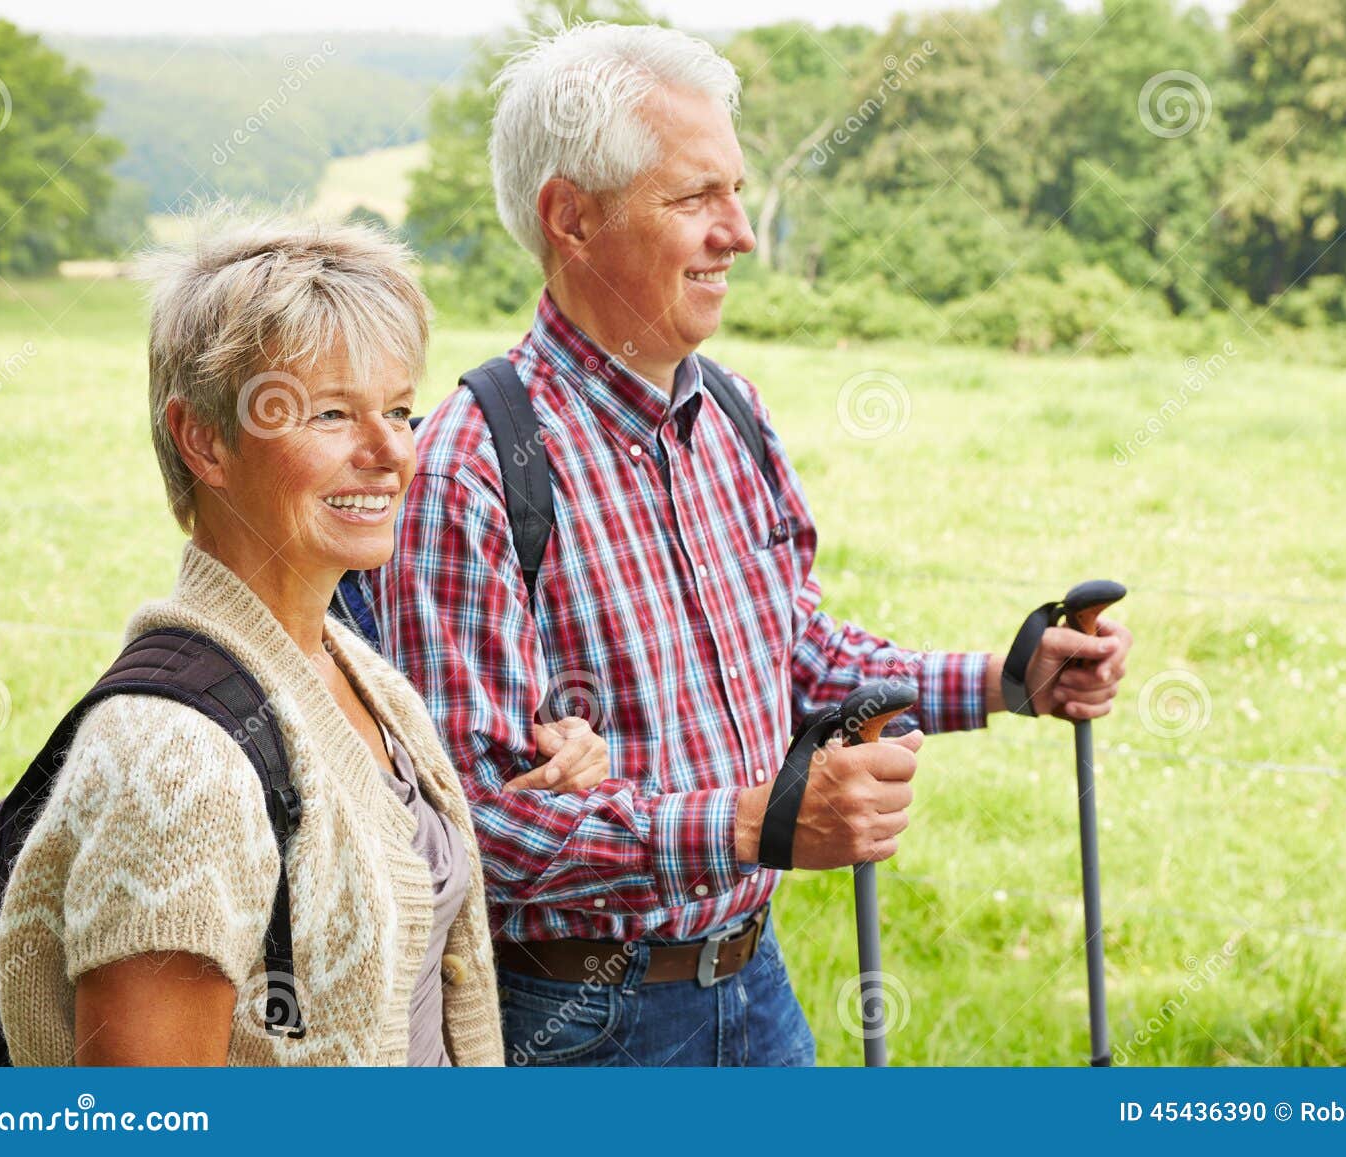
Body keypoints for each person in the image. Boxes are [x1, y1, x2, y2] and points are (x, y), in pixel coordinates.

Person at [375, 23, 1132, 1067]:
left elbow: (798, 656)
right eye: (696, 199)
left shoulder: (730, 411)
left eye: (735, 193)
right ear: (572, 218)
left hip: (754, 985)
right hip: (581, 1029)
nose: (737, 232)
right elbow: (470, 839)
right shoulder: (471, 467)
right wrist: (750, 823)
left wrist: (1011, 676)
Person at [0, 217, 608, 1066]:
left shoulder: (361, 677)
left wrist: (556, 774)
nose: (392, 449)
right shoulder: (174, 764)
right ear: (203, 439)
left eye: (398, 409)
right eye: (331, 413)